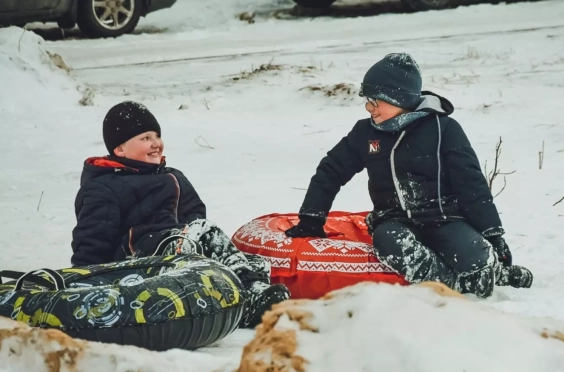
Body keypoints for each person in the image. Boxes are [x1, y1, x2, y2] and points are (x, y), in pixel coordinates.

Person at [285, 53, 532, 298]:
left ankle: (497, 272)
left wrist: (493, 233)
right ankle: (449, 284)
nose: (368, 107)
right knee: (389, 242)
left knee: (473, 255)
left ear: (397, 97)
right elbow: (331, 169)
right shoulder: (365, 133)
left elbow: (471, 183)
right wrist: (311, 218)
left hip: (445, 217)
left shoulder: (443, 129)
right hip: (395, 221)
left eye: (374, 100)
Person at [71, 101, 289, 325]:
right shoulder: (103, 187)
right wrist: (82, 281)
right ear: (119, 149)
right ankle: (250, 297)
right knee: (205, 232)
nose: (156, 143)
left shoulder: (173, 177)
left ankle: (236, 299)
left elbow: (194, 216)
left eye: (157, 136)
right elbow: (92, 239)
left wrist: (200, 245)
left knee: (252, 261)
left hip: (177, 248)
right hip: (137, 260)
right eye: (145, 138)